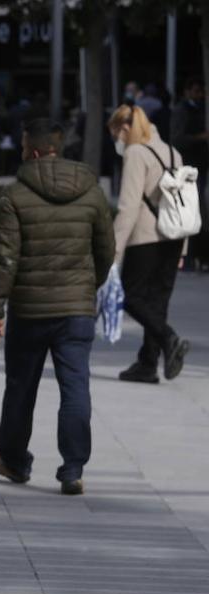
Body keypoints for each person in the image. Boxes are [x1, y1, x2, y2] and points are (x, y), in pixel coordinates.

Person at [0, 119, 114, 495]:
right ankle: (72, 469)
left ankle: (14, 460)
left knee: (21, 387)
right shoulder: (91, 192)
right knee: (75, 387)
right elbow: (106, 250)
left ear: (36, 151)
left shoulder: (16, 195)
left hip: (29, 310)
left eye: (24, 146)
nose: (22, 152)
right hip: (77, 310)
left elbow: (5, 259)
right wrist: (89, 286)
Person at [108, 104, 191, 384]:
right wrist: (186, 247)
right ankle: (148, 363)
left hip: (145, 237)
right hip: (175, 237)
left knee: (130, 296)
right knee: (157, 301)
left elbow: (128, 206)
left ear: (127, 128)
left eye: (116, 133)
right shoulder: (173, 152)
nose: (116, 140)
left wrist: (114, 249)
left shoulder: (135, 153)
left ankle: (168, 338)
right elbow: (184, 203)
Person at [171, 79, 208, 272]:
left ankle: (196, 255)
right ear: (187, 92)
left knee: (198, 211)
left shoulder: (201, 108)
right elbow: (177, 138)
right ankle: (189, 257)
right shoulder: (182, 110)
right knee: (191, 211)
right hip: (189, 166)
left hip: (200, 165)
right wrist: (199, 138)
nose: (200, 94)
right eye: (196, 90)